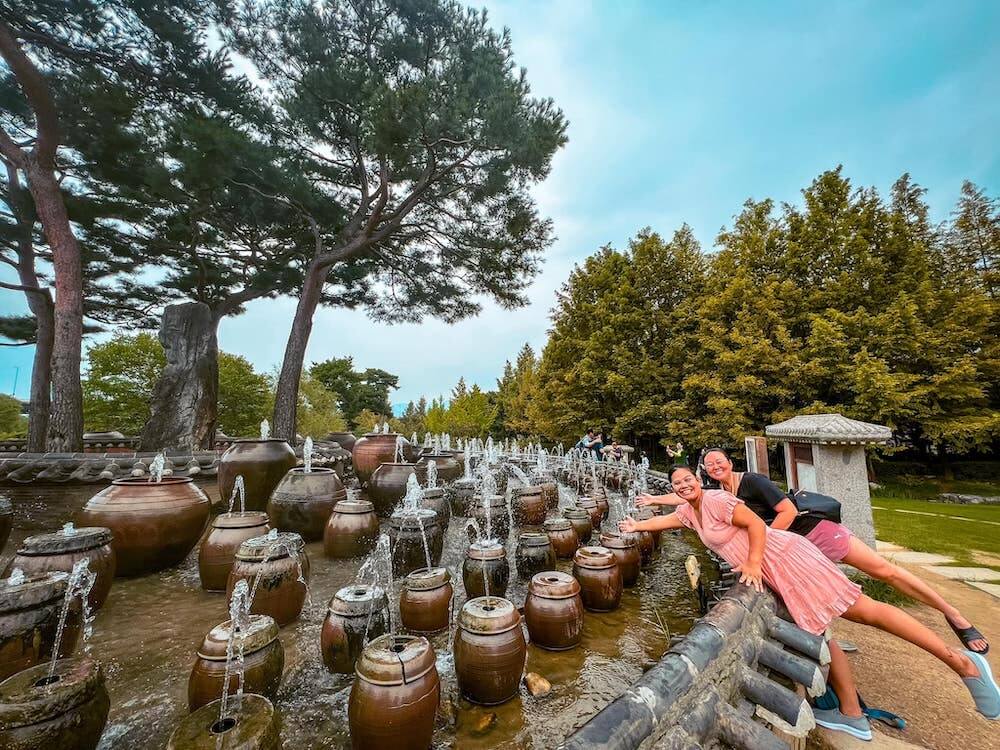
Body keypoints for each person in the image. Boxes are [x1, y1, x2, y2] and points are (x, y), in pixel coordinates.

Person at [622, 465, 1000, 736]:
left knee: (867, 612)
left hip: (785, 560)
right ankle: (851, 711)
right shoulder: (691, 511)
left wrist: (753, 564)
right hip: (777, 571)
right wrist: (637, 525)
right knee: (824, 631)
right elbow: (669, 521)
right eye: (677, 483)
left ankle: (962, 664)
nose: (683, 485)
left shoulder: (719, 500)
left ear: (698, 481)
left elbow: (756, 525)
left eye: (688, 479)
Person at [638, 447, 989, 655]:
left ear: (730, 462)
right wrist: (654, 499)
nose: (716, 467)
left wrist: (761, 551)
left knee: (885, 571)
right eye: (710, 465)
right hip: (788, 550)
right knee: (837, 611)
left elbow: (787, 513)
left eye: (720, 462)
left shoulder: (752, 482)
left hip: (812, 534)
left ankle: (953, 614)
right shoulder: (714, 493)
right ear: (705, 473)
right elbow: (683, 499)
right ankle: (846, 696)